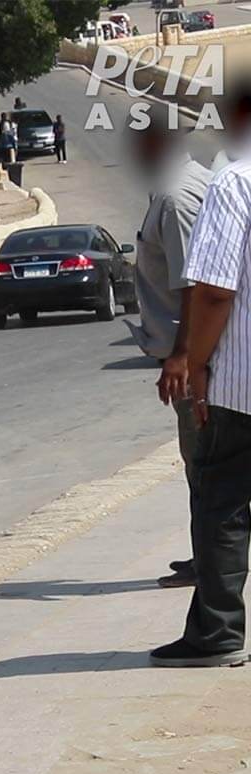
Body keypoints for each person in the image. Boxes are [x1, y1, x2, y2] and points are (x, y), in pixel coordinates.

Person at [150, 85, 251, 669]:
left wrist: (198, 365)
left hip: (242, 387)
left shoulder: (234, 183)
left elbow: (213, 291)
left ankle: (217, 633)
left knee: (221, 503)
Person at [124, 106, 213, 590]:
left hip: (197, 357)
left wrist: (181, 357)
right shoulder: (178, 185)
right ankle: (208, 554)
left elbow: (193, 284)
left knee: (203, 462)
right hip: (199, 351)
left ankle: (214, 564)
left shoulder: (178, 199)